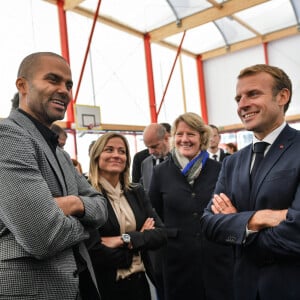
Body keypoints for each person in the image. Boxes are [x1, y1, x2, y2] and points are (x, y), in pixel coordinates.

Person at [0, 52, 108, 299]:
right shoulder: (7, 135)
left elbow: (102, 205)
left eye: (68, 85)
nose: (64, 91)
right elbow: (42, 237)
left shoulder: (58, 151)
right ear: (23, 85)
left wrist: (73, 203)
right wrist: (90, 229)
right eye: (53, 80)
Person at [200, 64, 300, 300]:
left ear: (282, 96)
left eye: (253, 94)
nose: (242, 105)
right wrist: (260, 218)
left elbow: (297, 233)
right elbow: (209, 224)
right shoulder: (233, 162)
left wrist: (238, 224)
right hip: (243, 288)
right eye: (238, 98)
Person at [149, 112, 234, 300]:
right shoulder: (160, 172)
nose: (184, 139)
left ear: (201, 138)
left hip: (216, 257)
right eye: (179, 134)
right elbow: (155, 210)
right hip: (177, 259)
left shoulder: (219, 169)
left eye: (191, 134)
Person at [87, 132, 167, 300]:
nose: (116, 155)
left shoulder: (136, 191)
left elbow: (160, 234)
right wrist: (139, 242)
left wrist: (124, 239)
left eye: (122, 151)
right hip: (106, 287)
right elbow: (94, 251)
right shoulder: (86, 194)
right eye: (109, 150)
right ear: (97, 156)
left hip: (140, 285)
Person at [141, 123, 171, 193]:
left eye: (154, 146)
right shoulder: (145, 164)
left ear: (166, 138)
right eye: (148, 147)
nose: (150, 152)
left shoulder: (181, 160)